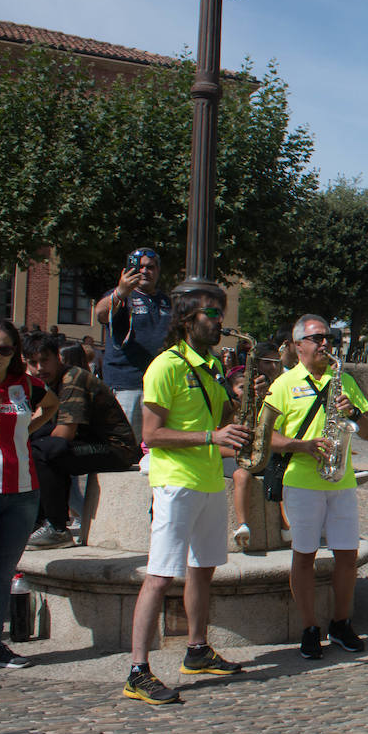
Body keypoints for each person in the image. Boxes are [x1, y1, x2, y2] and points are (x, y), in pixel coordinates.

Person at [124, 290, 255, 705]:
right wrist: (210, 437)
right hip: (175, 482)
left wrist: (243, 407)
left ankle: (197, 650)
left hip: (208, 479)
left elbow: (221, 422)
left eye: (220, 313)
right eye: (212, 314)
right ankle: (138, 670)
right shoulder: (165, 366)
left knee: (203, 567)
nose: (220, 321)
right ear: (187, 320)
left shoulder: (214, 365)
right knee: (160, 575)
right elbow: (150, 435)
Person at [265, 315, 368, 659]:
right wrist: (303, 446)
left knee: (347, 555)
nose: (325, 343)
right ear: (299, 345)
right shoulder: (284, 384)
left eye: (328, 337)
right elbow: (265, 437)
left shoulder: (342, 380)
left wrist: (354, 412)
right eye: (317, 338)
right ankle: (310, 627)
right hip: (302, 481)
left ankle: (340, 623)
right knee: (304, 556)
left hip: (340, 480)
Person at [0, 321, 59, 668]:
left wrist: (27, 432)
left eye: (4, 349)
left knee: (3, 573)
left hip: (23, 492)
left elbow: (50, 406)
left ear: (14, 353)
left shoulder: (25, 384)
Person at [21, 332, 141, 549]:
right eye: (33, 363)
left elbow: (64, 434)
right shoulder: (44, 383)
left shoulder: (72, 378)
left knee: (44, 451)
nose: (39, 368)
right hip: (87, 443)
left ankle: (57, 528)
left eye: (44, 360)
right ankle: (35, 522)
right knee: (34, 444)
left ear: (58, 357)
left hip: (116, 448)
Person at [93, 247, 172, 432]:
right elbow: (101, 314)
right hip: (126, 385)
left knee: (156, 444)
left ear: (158, 270)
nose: (145, 271)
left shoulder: (167, 302)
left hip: (160, 386)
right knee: (126, 444)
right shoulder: (120, 296)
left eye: (151, 267)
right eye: (140, 267)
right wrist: (120, 292)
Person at [229, 341, 288, 551]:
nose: (273, 367)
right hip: (242, 457)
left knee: (283, 471)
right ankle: (243, 525)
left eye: (276, 362)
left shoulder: (281, 386)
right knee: (242, 475)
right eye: (267, 362)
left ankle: (286, 525)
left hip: (266, 453)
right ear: (255, 364)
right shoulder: (235, 400)